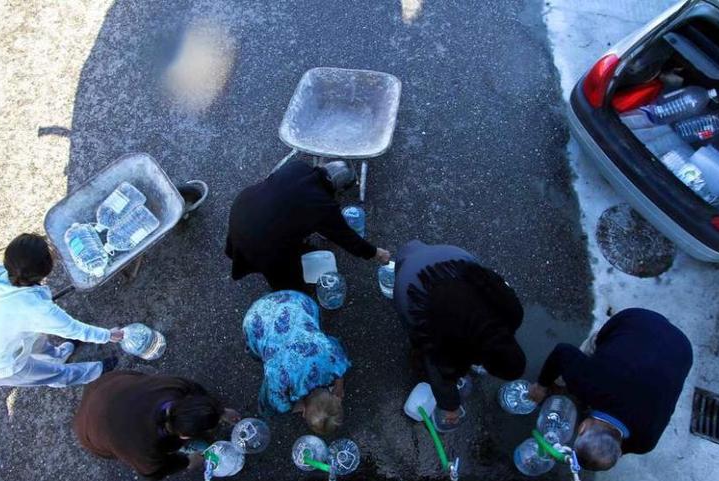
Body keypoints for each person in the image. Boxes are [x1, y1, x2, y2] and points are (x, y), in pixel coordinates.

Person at [529, 308, 693, 471]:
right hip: (637, 321)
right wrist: (541, 385)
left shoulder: (646, 441)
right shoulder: (587, 384)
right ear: (582, 427)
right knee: (590, 350)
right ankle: (560, 381)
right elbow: (562, 352)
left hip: (681, 348)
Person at [0, 233, 122, 387]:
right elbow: (74, 329)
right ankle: (95, 372)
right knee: (54, 374)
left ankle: (58, 355)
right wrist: (108, 335)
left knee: (37, 339)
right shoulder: (36, 309)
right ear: (46, 270)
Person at [395, 240, 527, 426]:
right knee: (422, 343)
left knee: (410, 255)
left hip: (451, 257)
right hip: (414, 284)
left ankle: (411, 254)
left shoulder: (513, 313)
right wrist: (451, 407)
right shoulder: (456, 345)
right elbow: (440, 372)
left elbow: (493, 280)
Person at [226, 158, 390, 291]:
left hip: (242, 208)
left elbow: (287, 202)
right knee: (288, 281)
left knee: (279, 220)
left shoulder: (297, 167)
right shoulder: (321, 205)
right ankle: (289, 295)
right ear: (338, 190)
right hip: (259, 242)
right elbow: (347, 238)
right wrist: (376, 253)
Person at [73, 370, 239, 480]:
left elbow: (196, 390)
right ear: (184, 436)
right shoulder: (144, 450)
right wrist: (187, 462)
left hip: (105, 388)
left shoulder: (172, 388)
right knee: (200, 446)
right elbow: (153, 472)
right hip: (90, 429)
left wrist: (221, 411)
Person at [243, 290, 350, 435]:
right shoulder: (279, 380)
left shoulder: (329, 356)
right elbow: (277, 403)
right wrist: (293, 407)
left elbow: (339, 357)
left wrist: (339, 384)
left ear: (336, 397)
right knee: (268, 403)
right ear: (303, 412)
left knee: (318, 333)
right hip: (255, 323)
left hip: (295, 301)